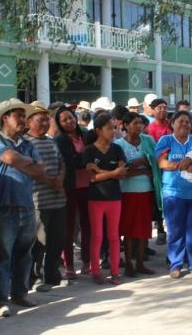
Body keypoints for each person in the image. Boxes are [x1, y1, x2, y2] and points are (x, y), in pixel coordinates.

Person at [0, 99, 53, 316]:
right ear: (5, 117)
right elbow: (9, 157)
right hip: (3, 206)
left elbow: (41, 170)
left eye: (24, 116)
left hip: (25, 204)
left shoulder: (27, 143)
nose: (23, 120)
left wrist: (25, 164)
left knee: (25, 254)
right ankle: (0, 301)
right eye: (19, 115)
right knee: (2, 256)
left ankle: (19, 293)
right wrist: (27, 164)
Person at [156, 111, 192, 279]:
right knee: (175, 230)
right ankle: (176, 264)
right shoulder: (166, 140)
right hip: (173, 193)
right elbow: (161, 162)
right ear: (172, 124)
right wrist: (181, 165)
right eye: (180, 121)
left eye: (187, 122)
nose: (185, 124)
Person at [24, 101, 65, 292]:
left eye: (46, 120)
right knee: (38, 242)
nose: (44, 124)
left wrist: (60, 179)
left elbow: (61, 163)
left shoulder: (51, 141)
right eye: (40, 120)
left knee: (56, 240)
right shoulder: (25, 143)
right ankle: (34, 277)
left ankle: (53, 275)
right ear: (29, 121)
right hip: (38, 200)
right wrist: (51, 181)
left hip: (57, 198)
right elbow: (30, 169)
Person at [82, 114, 126, 285]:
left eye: (114, 127)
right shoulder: (89, 150)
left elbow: (122, 172)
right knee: (97, 236)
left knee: (114, 236)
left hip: (115, 197)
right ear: (98, 130)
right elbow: (91, 178)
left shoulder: (117, 149)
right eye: (109, 128)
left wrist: (100, 170)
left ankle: (115, 272)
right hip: (96, 198)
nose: (113, 131)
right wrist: (111, 173)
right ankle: (96, 271)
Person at [115, 112, 157, 277]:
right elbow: (122, 171)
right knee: (128, 229)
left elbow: (154, 164)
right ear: (125, 125)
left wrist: (140, 166)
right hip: (127, 192)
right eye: (135, 123)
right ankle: (129, 264)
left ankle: (140, 262)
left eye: (141, 123)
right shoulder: (118, 145)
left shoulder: (148, 141)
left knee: (144, 229)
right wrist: (142, 167)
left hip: (146, 190)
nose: (139, 126)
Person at [54, 106, 91, 280]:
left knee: (87, 225)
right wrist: (87, 160)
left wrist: (85, 159)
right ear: (59, 124)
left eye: (71, 117)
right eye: (64, 120)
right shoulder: (60, 140)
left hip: (88, 186)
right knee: (68, 228)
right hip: (69, 187)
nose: (69, 121)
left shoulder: (85, 135)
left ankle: (86, 261)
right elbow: (70, 162)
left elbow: (89, 155)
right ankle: (69, 265)